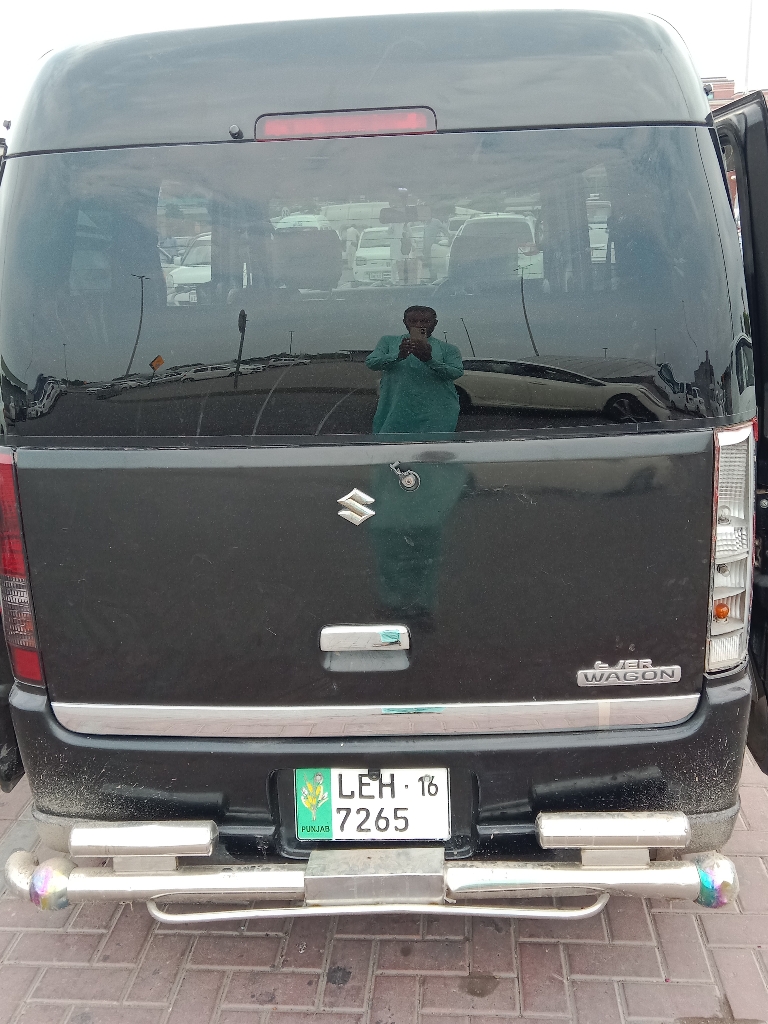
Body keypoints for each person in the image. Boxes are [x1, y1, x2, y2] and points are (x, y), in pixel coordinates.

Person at [365, 306, 463, 434]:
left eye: (425, 321)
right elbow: (371, 363)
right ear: (405, 322)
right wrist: (398, 355)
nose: (418, 325)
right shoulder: (388, 341)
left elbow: (456, 372)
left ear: (435, 323)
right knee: (391, 445)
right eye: (413, 321)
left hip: (437, 414)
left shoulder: (448, 349)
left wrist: (429, 360)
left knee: (433, 446)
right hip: (394, 411)